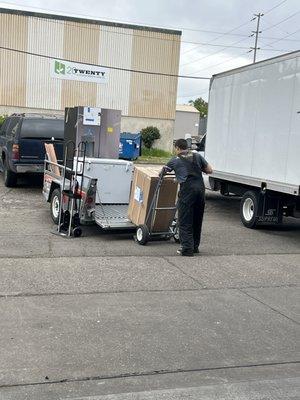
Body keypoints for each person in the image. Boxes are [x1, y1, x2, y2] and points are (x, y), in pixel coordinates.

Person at [162, 138, 212, 256]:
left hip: (187, 192)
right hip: (200, 190)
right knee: (197, 219)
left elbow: (163, 172)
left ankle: (187, 249)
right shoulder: (197, 156)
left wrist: (174, 177)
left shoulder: (175, 160)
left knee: (185, 220)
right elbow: (210, 170)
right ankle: (194, 247)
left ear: (178, 148)